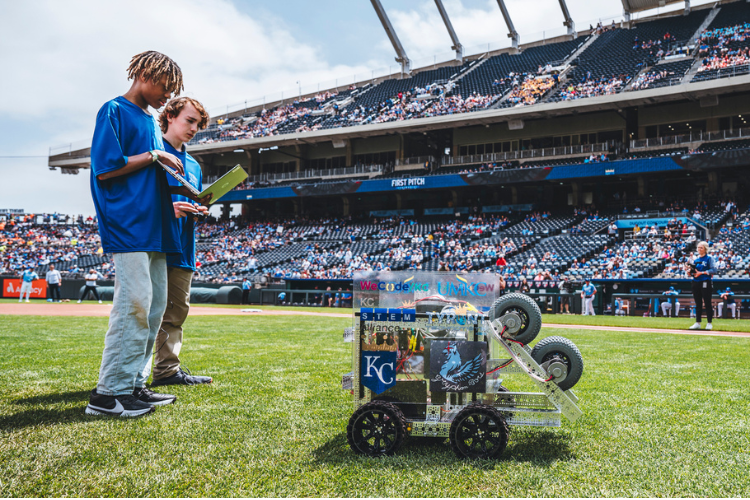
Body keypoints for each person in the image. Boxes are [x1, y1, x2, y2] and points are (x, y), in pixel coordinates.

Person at [86, 50, 186, 418]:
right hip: (128, 225)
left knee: (155, 308)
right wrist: (156, 156)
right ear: (144, 74)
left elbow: (148, 171)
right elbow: (106, 168)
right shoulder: (113, 110)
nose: (168, 95)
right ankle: (107, 394)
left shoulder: (148, 120)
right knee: (134, 306)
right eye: (166, 85)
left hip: (157, 227)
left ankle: (133, 385)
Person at [150, 96, 213, 388]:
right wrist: (168, 209)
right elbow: (137, 198)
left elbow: (189, 201)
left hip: (184, 245)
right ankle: (129, 379)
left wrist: (199, 210)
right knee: (144, 313)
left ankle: (166, 372)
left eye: (198, 125)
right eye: (189, 120)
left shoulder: (194, 165)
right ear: (170, 116)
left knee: (176, 313)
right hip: (152, 244)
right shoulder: (151, 152)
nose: (194, 129)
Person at [688, 241, 716, 330]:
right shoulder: (696, 260)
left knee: (707, 302)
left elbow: (714, 270)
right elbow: (695, 272)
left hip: (705, 282)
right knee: (698, 303)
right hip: (696, 282)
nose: (699, 249)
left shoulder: (709, 258)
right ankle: (698, 322)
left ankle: (709, 322)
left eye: (701, 248)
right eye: (698, 247)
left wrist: (702, 273)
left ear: (705, 249)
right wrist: (690, 273)